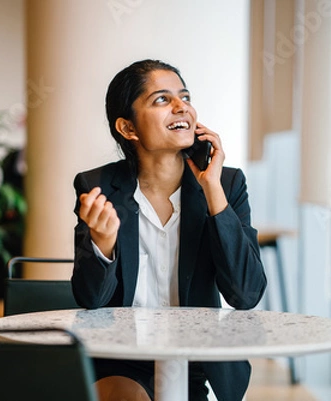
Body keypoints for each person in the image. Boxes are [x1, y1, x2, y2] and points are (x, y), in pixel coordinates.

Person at [71, 60, 267, 401]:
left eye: (184, 96)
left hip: (195, 360)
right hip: (122, 359)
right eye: (162, 99)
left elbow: (246, 294)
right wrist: (102, 245)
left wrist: (213, 191)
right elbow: (91, 300)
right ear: (128, 128)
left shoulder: (229, 183)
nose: (182, 107)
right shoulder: (98, 187)